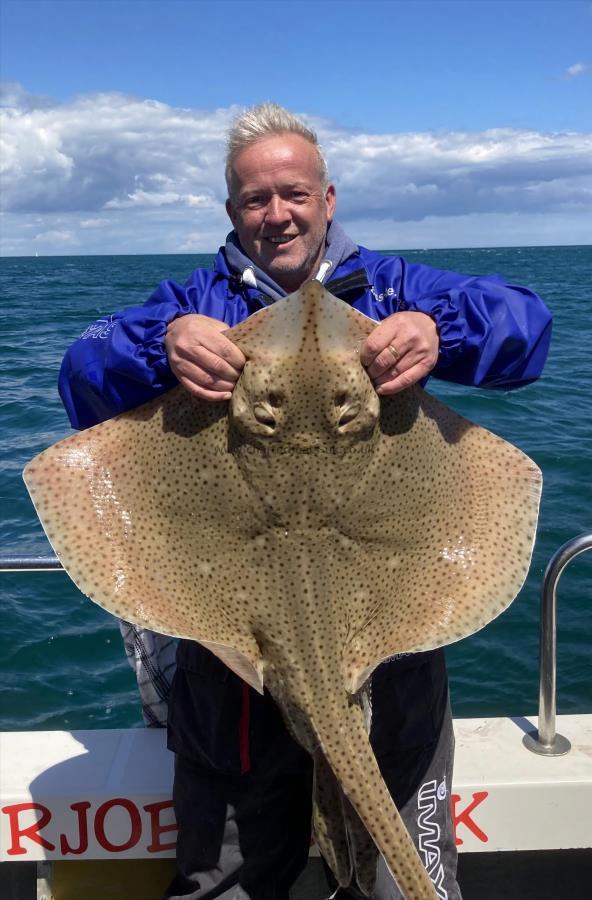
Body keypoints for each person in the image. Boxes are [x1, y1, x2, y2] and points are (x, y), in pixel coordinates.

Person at [59, 103, 552, 900]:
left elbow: (528, 326)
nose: (276, 214)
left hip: (390, 657)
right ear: (232, 213)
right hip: (231, 675)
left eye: (294, 193)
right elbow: (79, 371)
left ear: (329, 199)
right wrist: (160, 343)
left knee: (404, 880)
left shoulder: (394, 289)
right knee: (230, 886)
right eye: (256, 199)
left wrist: (440, 330)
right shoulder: (192, 301)